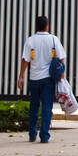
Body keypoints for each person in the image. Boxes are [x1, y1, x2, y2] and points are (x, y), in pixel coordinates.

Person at [16, 15, 65, 143]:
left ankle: (32, 134)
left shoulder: (30, 41)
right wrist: (61, 75)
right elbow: (61, 58)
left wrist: (21, 76)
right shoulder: (53, 39)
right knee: (47, 107)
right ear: (47, 25)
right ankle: (44, 135)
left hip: (34, 78)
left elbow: (25, 60)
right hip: (48, 79)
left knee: (34, 107)